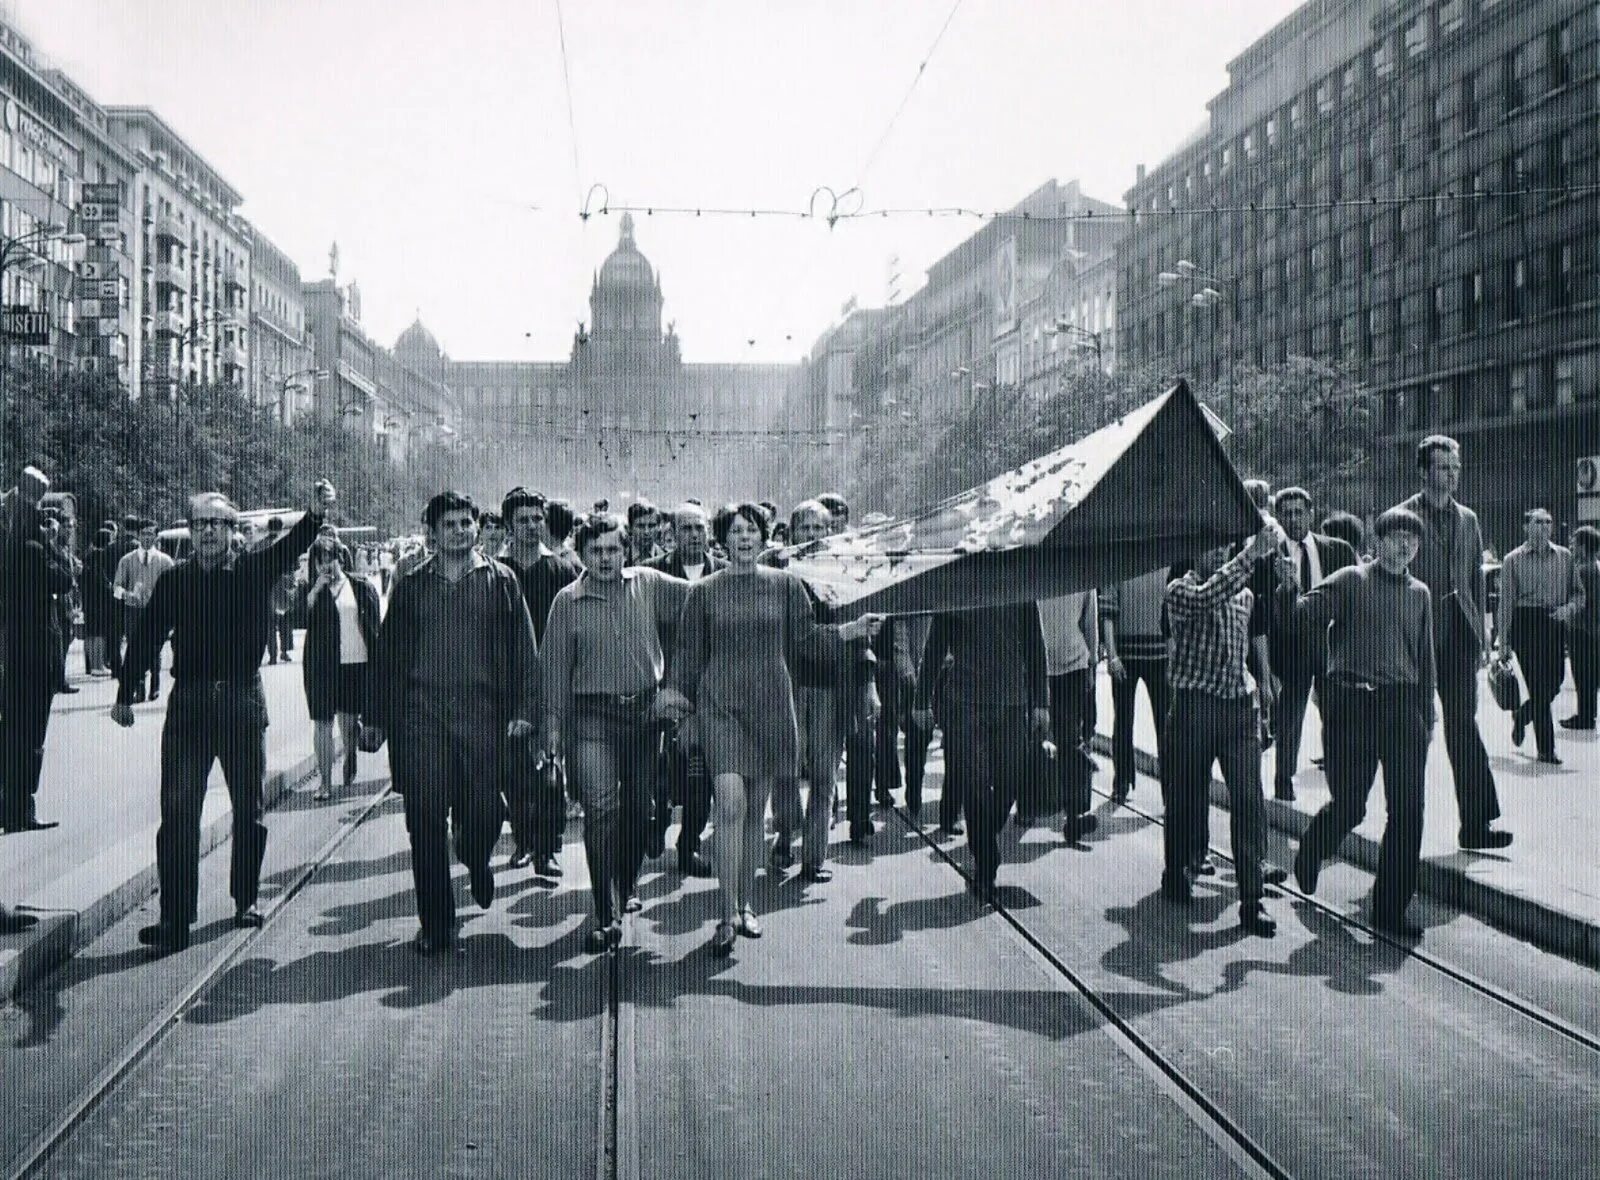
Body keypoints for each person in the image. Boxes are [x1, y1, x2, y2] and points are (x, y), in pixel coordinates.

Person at [112, 481, 335, 957]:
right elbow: (149, 636)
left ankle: (246, 899)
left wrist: (313, 516)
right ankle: (175, 918)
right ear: (190, 533)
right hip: (189, 707)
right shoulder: (175, 580)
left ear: (233, 532)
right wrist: (124, 692)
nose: (208, 532)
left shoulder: (253, 569)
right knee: (177, 813)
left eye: (217, 524)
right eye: (200, 525)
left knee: (249, 809)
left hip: (240, 703)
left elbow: (292, 545)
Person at [660, 503, 880, 956]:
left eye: (751, 530)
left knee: (754, 813)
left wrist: (849, 631)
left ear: (763, 538)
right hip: (720, 708)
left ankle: (745, 905)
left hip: (771, 708)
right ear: (724, 540)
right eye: (736, 531)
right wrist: (679, 708)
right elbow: (686, 656)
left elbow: (806, 640)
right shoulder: (702, 593)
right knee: (731, 805)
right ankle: (724, 916)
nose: (744, 537)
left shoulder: (785, 585)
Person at [363, 492, 540, 956]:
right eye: (449, 524)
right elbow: (387, 657)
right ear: (433, 533)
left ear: (478, 529)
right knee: (424, 821)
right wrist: (377, 718)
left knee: (485, 813)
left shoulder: (502, 581)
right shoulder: (412, 585)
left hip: (483, 719)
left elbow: (525, 652)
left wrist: (525, 711)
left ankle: (476, 854)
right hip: (423, 718)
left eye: (466, 523)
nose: (459, 531)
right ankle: (436, 924)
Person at [1280, 508, 1436, 938]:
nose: (1404, 546)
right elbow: (1299, 614)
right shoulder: (1352, 579)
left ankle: (1389, 909)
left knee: (1408, 813)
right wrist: (1287, 587)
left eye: (1412, 539)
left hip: (1403, 709)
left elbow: (1425, 660)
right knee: (1351, 804)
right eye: (1395, 537)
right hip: (1354, 707)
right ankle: (1313, 849)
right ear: (1377, 540)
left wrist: (1426, 718)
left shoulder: (1420, 593)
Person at [542, 513, 693, 952]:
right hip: (592, 720)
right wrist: (552, 731)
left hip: (646, 717)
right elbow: (553, 672)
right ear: (582, 554)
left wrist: (677, 685)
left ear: (625, 551)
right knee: (602, 810)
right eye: (596, 550)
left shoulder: (648, 583)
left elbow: (701, 603)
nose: (605, 558)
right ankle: (604, 913)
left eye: (612, 549)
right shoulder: (567, 602)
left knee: (639, 811)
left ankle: (625, 886)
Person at [1160, 523, 1282, 937]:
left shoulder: (1246, 596)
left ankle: (1252, 898)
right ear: (1194, 553)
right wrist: (1253, 553)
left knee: (1249, 800)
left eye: (1224, 548)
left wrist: (1260, 697)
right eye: (1209, 548)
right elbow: (1209, 595)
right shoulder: (1180, 591)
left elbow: (1246, 648)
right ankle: (1178, 866)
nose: (1218, 554)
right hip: (1194, 707)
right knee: (1186, 796)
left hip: (1237, 709)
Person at [1394, 437, 1512, 849]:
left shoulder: (1469, 519)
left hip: (1460, 637)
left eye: (1456, 467)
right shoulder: (1401, 518)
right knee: (1413, 733)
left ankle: (1476, 825)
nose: (1452, 474)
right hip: (1416, 640)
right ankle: (1404, 833)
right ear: (1424, 471)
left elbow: (1477, 579)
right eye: (1444, 467)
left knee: (1463, 727)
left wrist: (1484, 635)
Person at [912, 601, 1049, 904]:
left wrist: (1041, 702)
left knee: (1009, 782)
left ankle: (985, 837)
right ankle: (985, 865)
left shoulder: (1020, 586)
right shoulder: (958, 588)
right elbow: (934, 647)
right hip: (965, 704)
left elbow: (1035, 645)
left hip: (1013, 703)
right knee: (975, 785)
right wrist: (921, 700)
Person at [767, 501, 867, 882]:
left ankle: (814, 858)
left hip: (832, 687)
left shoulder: (846, 572)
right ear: (792, 533)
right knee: (786, 769)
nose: (813, 534)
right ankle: (785, 832)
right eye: (805, 528)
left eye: (819, 528)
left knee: (825, 775)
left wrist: (866, 684)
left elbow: (860, 632)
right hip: (788, 684)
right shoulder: (780, 570)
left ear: (830, 532)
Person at [499, 487, 579, 873]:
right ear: (508, 526)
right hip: (510, 687)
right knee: (514, 771)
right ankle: (523, 840)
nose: (532, 527)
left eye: (537, 519)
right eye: (523, 520)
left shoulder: (563, 571)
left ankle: (548, 845)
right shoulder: (496, 573)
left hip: (554, 682)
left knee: (551, 768)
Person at [1263, 487, 1359, 801]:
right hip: (1291, 648)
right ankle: (1283, 781)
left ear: (1311, 512)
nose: (1293, 518)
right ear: (1279, 516)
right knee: (1290, 719)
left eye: (1298, 512)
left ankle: (1341, 783)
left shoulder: (1338, 550)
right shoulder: (1268, 556)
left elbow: (1354, 596)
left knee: (1337, 716)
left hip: (1331, 645)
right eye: (1286, 513)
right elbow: (1263, 612)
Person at [644, 504, 725, 874]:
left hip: (707, 689)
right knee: (659, 772)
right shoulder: (654, 574)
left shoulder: (724, 574)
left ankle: (689, 843)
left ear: (708, 531)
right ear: (672, 533)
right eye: (686, 528)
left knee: (700, 775)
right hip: (660, 687)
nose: (694, 534)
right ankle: (656, 822)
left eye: (699, 527)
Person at [1, 469, 73, 832]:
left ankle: (6, 803)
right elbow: (65, 579)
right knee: (31, 735)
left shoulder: (9, 544)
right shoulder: (34, 547)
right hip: (37, 653)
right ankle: (21, 808)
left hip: (13, 650)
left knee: (10, 729)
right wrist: (56, 543)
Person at [1495, 507, 1586, 765]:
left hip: (1553, 623)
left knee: (1555, 682)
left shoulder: (1565, 557)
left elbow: (1579, 594)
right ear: (1526, 527)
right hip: (1525, 624)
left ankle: (1524, 714)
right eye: (1539, 522)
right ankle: (1546, 750)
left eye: (1549, 522)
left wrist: (1567, 609)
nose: (1545, 527)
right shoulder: (1512, 559)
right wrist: (1503, 641)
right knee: (1537, 684)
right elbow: (1506, 603)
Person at [298, 537, 381, 800]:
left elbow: (374, 627)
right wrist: (314, 592)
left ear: (341, 558)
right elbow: (296, 620)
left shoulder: (360, 586)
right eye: (320, 560)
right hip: (321, 667)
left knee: (348, 722)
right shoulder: (310, 591)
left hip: (355, 664)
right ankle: (325, 782)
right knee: (322, 722)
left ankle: (351, 753)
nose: (326, 565)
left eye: (330, 558)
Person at [1100, 566, 1171, 802]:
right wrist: (1112, 656)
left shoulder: (1167, 561)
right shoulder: (1120, 561)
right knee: (1123, 721)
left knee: (1166, 726)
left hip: (1160, 656)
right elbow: (1107, 612)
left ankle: (1170, 788)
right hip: (1125, 657)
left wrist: (1174, 656)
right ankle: (1121, 782)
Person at [1036, 589, 1101, 842]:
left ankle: (1076, 814)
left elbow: (1090, 619)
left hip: (1074, 664)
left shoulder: (1081, 565)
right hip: (1038, 664)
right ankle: (1028, 803)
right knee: (1035, 738)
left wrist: (1092, 661)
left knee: (1072, 740)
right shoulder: (1032, 563)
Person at [113, 520, 174, 702]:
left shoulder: (165, 561)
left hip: (157, 612)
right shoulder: (127, 560)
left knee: (155, 649)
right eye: (144, 533)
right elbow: (116, 587)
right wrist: (126, 595)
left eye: (150, 533)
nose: (147, 537)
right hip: (133, 611)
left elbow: (175, 588)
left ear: (156, 536)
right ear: (138, 535)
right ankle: (138, 687)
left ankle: (154, 686)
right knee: (134, 649)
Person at [1562, 526, 1600, 731]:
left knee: (1582, 675)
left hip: (1581, 630)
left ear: (1584, 547)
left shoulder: (1581, 571)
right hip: (1595, 630)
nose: (1571, 547)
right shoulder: (1597, 567)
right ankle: (1589, 714)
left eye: (1574, 543)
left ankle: (1585, 717)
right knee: (1591, 675)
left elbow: (1572, 599)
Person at [81, 527, 117, 676]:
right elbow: (101, 577)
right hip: (100, 599)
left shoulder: (87, 555)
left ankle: (91, 666)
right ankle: (98, 665)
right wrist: (111, 587)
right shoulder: (101, 556)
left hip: (88, 598)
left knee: (90, 633)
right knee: (99, 633)